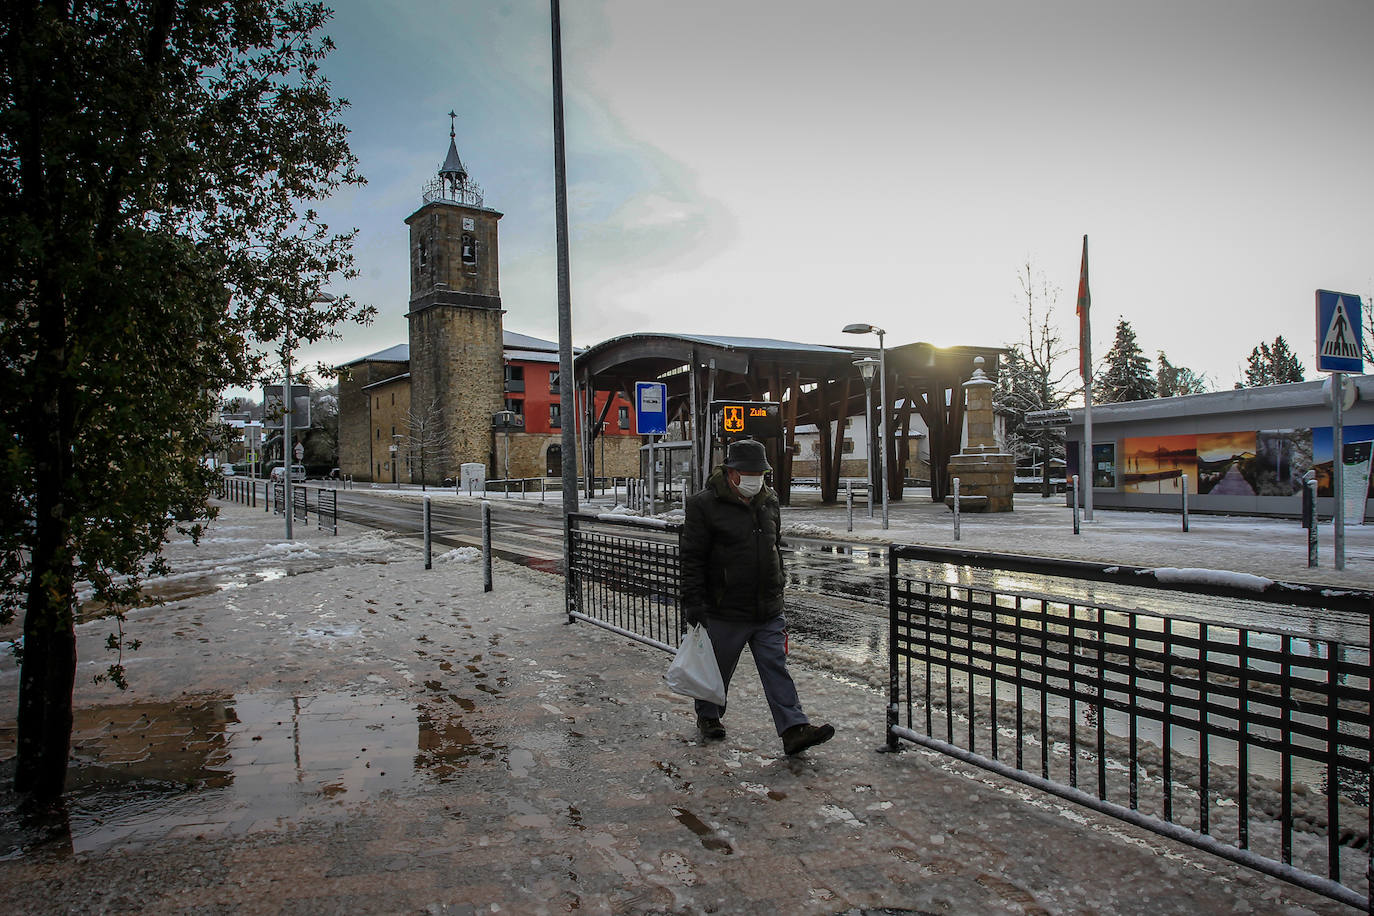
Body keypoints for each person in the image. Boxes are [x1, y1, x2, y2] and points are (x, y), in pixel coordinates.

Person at [679, 438, 834, 756]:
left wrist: (779, 582)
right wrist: (694, 602)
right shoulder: (703, 505)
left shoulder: (769, 500)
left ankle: (793, 728)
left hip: (767, 606)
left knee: (776, 665)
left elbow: (772, 544)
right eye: (749, 472)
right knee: (718, 668)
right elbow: (692, 557)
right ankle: (708, 717)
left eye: (760, 472)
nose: (756, 478)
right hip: (724, 607)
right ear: (732, 472)